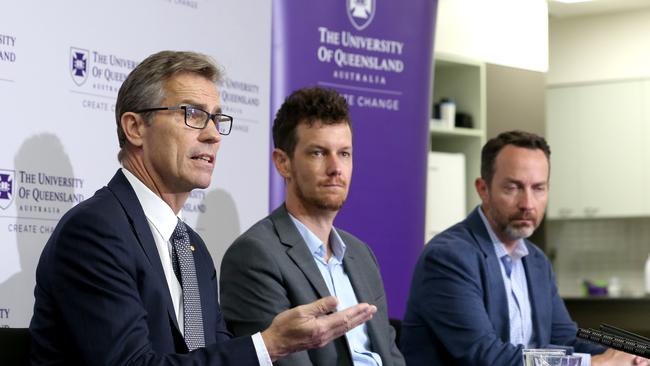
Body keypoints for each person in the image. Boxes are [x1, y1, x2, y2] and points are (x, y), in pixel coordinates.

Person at [29, 51, 377, 365]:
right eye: (193, 114)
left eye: (216, 119)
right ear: (135, 127)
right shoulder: (95, 231)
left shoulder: (191, 248)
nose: (213, 135)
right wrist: (267, 346)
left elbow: (215, 355)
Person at [400, 130, 647, 366]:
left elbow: (564, 339)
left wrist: (635, 354)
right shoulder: (448, 257)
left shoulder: (536, 261)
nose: (527, 203)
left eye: (538, 188)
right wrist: (592, 363)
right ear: (483, 189)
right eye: (513, 187)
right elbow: (486, 357)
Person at [219, 86, 404, 366]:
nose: (335, 168)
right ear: (283, 163)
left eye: (344, 154)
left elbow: (390, 356)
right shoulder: (254, 255)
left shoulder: (362, 255)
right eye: (318, 153)